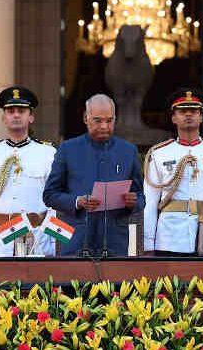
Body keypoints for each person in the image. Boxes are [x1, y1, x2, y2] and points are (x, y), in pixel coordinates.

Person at [43, 94, 145, 257]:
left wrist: (133, 202)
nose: (104, 126)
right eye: (98, 120)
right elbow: (49, 195)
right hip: (75, 240)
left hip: (115, 243)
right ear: (86, 118)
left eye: (109, 120)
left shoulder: (128, 151)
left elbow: (141, 198)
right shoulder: (68, 149)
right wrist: (78, 201)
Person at [143, 89, 203, 256]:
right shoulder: (159, 154)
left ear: (201, 117)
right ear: (173, 118)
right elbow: (149, 203)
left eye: (193, 111)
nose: (188, 115)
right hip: (170, 237)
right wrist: (148, 244)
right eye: (182, 111)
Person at [0, 86, 57, 257]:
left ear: (31, 116)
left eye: (22, 110)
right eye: (10, 111)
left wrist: (51, 243)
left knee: (35, 284)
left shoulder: (48, 153)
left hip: (35, 235)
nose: (16, 115)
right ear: (4, 117)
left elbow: (54, 203)